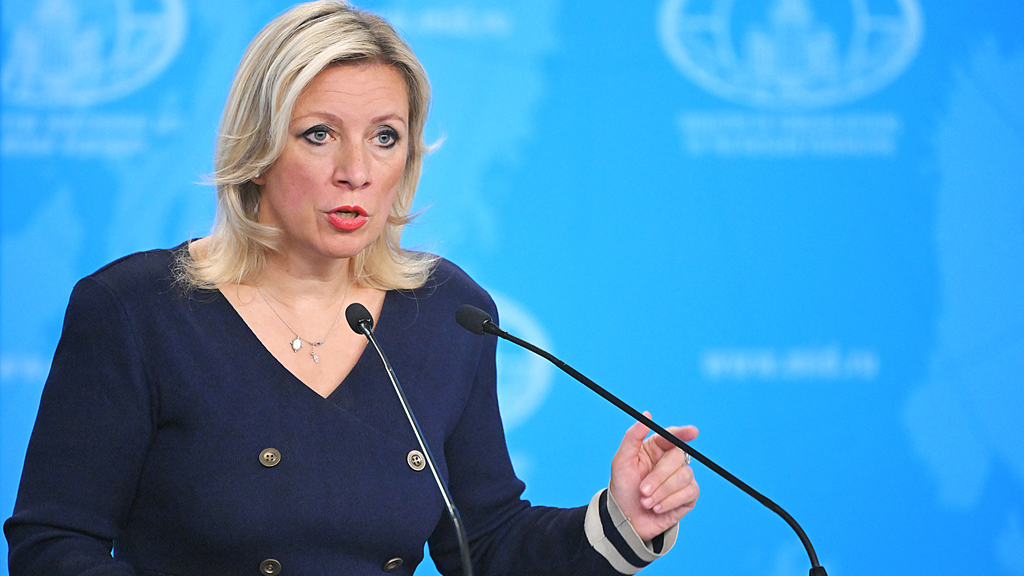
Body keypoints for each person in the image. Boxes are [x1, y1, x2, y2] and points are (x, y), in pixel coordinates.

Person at [4, 2, 699, 574]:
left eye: (385, 137)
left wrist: (620, 520)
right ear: (257, 149)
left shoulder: (447, 312)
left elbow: (485, 543)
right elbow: (54, 544)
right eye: (319, 134)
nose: (356, 171)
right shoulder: (137, 311)